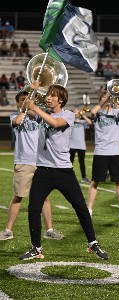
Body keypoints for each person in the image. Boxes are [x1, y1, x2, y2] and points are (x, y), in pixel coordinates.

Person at [18, 81, 108, 260]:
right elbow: (23, 113)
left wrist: (35, 106)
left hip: (63, 171)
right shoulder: (41, 113)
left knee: (81, 208)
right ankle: (36, 247)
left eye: (52, 95)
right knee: (33, 209)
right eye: (48, 94)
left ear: (61, 99)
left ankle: (92, 243)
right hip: (43, 170)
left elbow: (56, 123)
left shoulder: (68, 115)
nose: (48, 97)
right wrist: (32, 91)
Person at [0, 88, 64, 241]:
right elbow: (17, 122)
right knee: (18, 197)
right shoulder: (15, 115)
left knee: (45, 197)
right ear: (18, 103)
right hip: (24, 162)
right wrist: (27, 103)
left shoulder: (39, 116)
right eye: (23, 99)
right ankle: (8, 230)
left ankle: (49, 230)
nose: (27, 101)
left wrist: (36, 103)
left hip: (41, 162)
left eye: (29, 99)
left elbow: (52, 117)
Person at [87, 90, 119, 218]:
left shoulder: (115, 113)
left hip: (114, 152)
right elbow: (91, 112)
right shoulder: (98, 112)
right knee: (95, 181)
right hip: (101, 152)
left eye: (108, 97)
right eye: (104, 97)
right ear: (100, 99)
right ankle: (89, 210)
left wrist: (117, 101)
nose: (108, 99)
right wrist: (104, 99)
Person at [69, 108, 92, 184]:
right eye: (75, 111)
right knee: (70, 162)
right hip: (71, 145)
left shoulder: (83, 122)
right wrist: (74, 114)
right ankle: (69, 177)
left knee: (82, 162)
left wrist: (83, 115)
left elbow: (90, 123)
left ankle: (84, 177)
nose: (77, 113)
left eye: (78, 111)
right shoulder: (70, 121)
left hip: (81, 145)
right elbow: (68, 119)